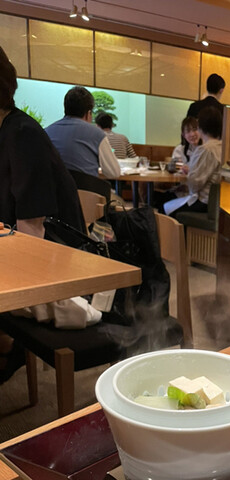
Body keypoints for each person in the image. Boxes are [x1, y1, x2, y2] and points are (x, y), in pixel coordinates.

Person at [0, 47, 86, 383]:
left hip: (56, 258)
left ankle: (10, 342)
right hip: (21, 246)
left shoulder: (22, 133)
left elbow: (32, 227)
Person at [157, 107, 222, 216]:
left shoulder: (205, 149)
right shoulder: (222, 147)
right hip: (217, 202)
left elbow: (194, 184)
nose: (192, 134)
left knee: (163, 209)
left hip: (203, 202)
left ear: (200, 128)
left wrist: (190, 174)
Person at [46, 86, 120, 179]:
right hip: (86, 187)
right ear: (88, 113)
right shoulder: (97, 134)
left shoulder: (47, 132)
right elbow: (114, 172)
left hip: (54, 187)